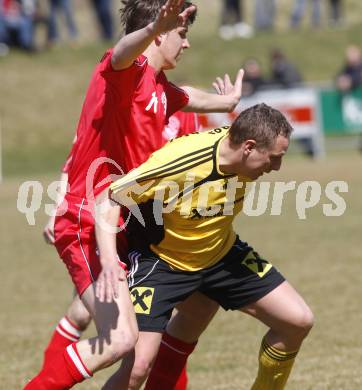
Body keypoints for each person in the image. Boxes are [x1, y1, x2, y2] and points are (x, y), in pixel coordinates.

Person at [24, 0, 244, 388]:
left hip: (122, 222)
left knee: (150, 336)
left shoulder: (159, 86)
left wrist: (225, 103)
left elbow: (187, 95)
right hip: (87, 219)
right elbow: (122, 52)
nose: (187, 44)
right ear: (159, 33)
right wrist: (151, 31)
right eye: (182, 33)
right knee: (122, 338)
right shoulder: (128, 71)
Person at [96, 103, 314, 390]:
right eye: (274, 158)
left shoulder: (241, 153)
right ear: (248, 147)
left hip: (220, 253)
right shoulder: (181, 162)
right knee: (137, 369)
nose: (276, 167)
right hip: (163, 261)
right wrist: (110, 261)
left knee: (298, 320)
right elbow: (109, 199)